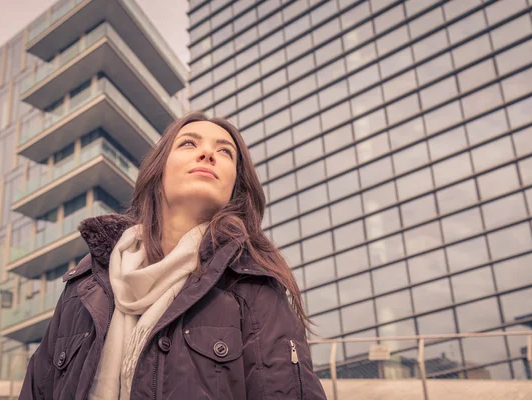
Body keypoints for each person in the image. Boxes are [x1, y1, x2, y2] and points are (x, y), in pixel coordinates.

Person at [19, 111, 328, 400]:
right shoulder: (84, 286)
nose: (207, 154)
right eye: (189, 143)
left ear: (235, 186)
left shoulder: (253, 284)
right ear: (159, 170)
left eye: (225, 152)